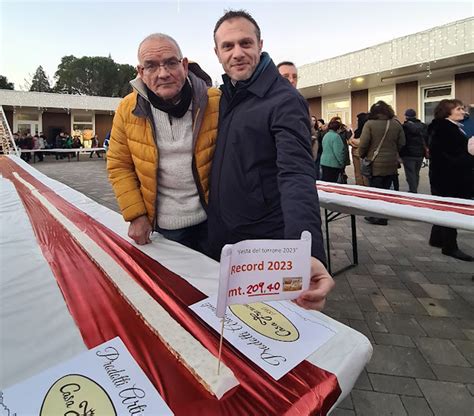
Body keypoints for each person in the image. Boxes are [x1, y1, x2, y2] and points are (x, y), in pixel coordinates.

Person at [209, 10, 334, 311]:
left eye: (245, 43)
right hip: (222, 237)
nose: (237, 53)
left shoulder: (284, 100)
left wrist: (307, 252)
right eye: (228, 46)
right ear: (217, 53)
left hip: (262, 243)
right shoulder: (227, 95)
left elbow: (297, 175)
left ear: (260, 44)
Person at [107, 33, 220, 254]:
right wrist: (136, 215)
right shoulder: (127, 109)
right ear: (140, 72)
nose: (163, 74)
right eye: (151, 66)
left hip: (215, 222)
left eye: (170, 62)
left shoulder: (215, 101)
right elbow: (119, 165)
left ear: (184, 65)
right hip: (163, 229)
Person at [428, 99, 473, 261]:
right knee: (451, 210)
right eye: (459, 109)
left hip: (446, 176)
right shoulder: (444, 128)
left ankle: (437, 238)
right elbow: (444, 156)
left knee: (443, 208)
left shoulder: (450, 127)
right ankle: (450, 246)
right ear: (448, 111)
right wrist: (469, 156)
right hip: (448, 178)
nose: (463, 112)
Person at [359, 100, 405, 225]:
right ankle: (384, 215)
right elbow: (402, 143)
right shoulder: (396, 124)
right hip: (391, 164)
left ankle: (376, 216)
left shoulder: (369, 124)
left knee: (375, 190)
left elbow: (363, 144)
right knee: (386, 190)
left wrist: (362, 155)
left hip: (375, 164)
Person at [400, 109, 428, 193]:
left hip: (408, 154)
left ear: (406, 116)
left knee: (410, 173)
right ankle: (414, 189)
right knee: (416, 173)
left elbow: (402, 141)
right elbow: (427, 138)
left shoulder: (404, 127)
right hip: (420, 154)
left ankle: (413, 191)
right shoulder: (423, 126)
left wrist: (400, 154)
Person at [349, 112, 369, 186]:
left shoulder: (366, 130)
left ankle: (366, 188)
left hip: (362, 154)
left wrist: (354, 142)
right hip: (355, 154)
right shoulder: (357, 131)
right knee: (357, 172)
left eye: (358, 120)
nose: (356, 122)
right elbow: (350, 141)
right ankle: (359, 186)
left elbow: (359, 142)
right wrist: (354, 142)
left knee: (364, 173)